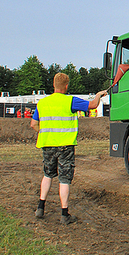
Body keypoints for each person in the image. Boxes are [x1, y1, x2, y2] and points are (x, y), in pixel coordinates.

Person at [30, 73, 108, 224]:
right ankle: (64, 214)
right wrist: (99, 95)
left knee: (47, 175)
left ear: (53, 85)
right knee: (64, 179)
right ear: (66, 86)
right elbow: (92, 105)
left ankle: (40, 207)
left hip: (47, 145)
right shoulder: (70, 101)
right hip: (66, 146)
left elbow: (33, 124)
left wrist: (46, 132)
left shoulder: (42, 103)